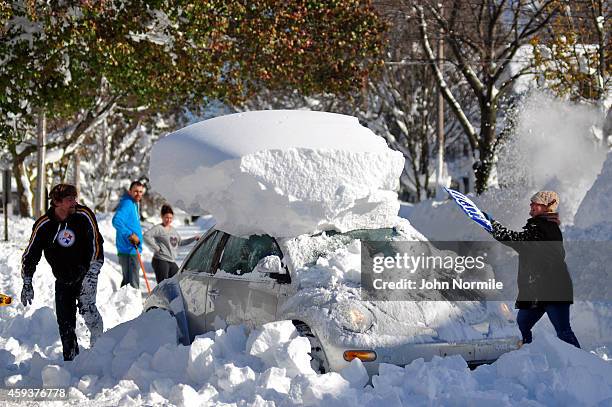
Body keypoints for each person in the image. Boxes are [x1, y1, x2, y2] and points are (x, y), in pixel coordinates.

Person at [485, 191, 580, 348]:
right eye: (531, 202)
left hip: (554, 290)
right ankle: (527, 358)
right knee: (522, 324)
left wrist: (492, 225)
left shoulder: (545, 228)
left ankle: (581, 366)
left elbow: (516, 240)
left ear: (546, 207)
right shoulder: (540, 226)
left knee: (563, 331)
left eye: (535, 203)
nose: (531, 205)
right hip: (537, 291)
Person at [21, 184, 104, 361]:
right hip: (63, 278)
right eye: (69, 199)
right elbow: (31, 254)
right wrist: (27, 280)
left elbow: (96, 244)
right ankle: (71, 360)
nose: (74, 202)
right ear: (57, 202)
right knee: (65, 322)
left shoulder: (83, 215)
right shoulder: (44, 225)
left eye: (74, 198)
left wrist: (92, 272)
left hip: (86, 274)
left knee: (87, 309)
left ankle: (100, 348)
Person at [144, 204, 200, 283]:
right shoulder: (159, 228)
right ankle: (160, 296)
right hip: (161, 260)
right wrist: (156, 247)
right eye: (166, 217)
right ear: (162, 217)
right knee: (163, 285)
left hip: (171, 261)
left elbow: (180, 242)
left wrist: (193, 239)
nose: (168, 220)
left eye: (170, 218)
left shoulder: (173, 230)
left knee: (177, 281)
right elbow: (146, 236)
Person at [112, 181, 145, 289]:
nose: (138, 194)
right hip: (129, 249)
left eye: (140, 192)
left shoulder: (133, 203)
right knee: (133, 283)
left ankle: (125, 303)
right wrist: (130, 235)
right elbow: (116, 221)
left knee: (128, 282)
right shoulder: (127, 204)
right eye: (135, 191)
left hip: (130, 249)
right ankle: (133, 304)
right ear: (130, 191)